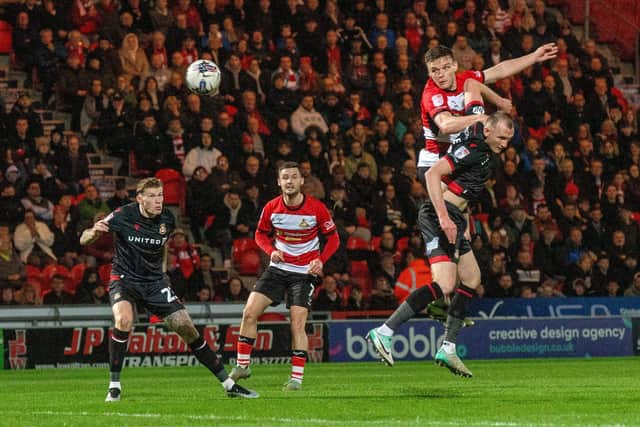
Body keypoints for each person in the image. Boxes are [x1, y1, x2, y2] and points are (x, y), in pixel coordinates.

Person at [79, 178, 258, 401]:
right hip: (125, 278)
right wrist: (95, 231)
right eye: (152, 196)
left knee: (186, 327)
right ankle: (114, 386)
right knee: (124, 320)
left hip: (155, 282)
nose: (158, 201)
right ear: (140, 199)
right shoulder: (122, 214)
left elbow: (161, 250)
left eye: (160, 195)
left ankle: (229, 384)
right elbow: (83, 239)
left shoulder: (167, 219)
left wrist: (162, 275)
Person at [368, 108, 515, 378]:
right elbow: (432, 174)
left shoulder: (485, 154)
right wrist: (445, 217)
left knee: (472, 278)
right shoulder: (473, 147)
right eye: (502, 138)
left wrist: (464, 226)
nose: (504, 145)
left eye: (508, 140)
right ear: (488, 130)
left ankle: (448, 347)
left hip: (457, 217)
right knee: (446, 284)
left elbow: (462, 191)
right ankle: (384, 331)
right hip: (440, 215)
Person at [229, 161, 339, 391]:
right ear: (279, 182)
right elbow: (259, 234)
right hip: (278, 269)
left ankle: (296, 379)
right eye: (285, 177)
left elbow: (334, 239)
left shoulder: (316, 208)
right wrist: (272, 251)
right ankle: (242, 365)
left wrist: (320, 260)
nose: (289, 181)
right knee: (249, 313)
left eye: (293, 177)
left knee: (297, 323)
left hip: (304, 273)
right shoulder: (272, 207)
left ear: (301, 181)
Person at [417, 43, 556, 176]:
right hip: (434, 164)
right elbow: (446, 125)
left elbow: (500, 70)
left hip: (457, 158)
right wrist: (480, 118)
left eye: (445, 68)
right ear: (429, 73)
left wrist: (534, 57)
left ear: (454, 65)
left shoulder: (465, 79)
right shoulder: (432, 94)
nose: (440, 75)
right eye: (434, 71)